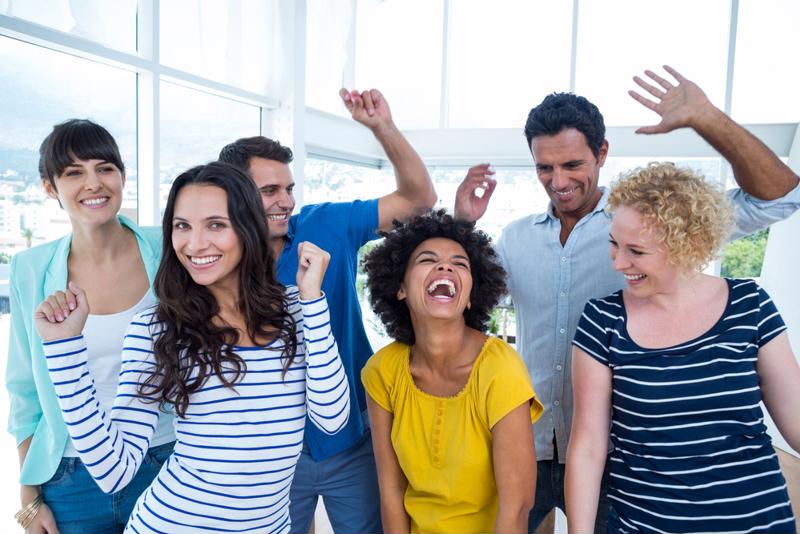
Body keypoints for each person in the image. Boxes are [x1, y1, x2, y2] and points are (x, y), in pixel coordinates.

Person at [454, 65, 800, 533]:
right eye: (544, 167)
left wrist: (707, 119)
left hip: (620, 460)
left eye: (572, 164)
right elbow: (458, 305)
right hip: (527, 442)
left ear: (601, 153)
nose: (558, 181)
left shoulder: (652, 221)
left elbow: (778, 199)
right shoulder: (514, 240)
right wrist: (462, 227)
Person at [34, 162, 350, 533]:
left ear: (247, 228)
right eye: (182, 226)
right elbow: (112, 470)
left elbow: (332, 419)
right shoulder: (156, 329)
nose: (195, 244)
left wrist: (313, 302)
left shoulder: (298, 309)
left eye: (216, 225)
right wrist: (64, 350)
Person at [218, 88, 437, 533]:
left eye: (289, 189)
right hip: (273, 455)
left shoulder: (326, 225)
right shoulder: (215, 268)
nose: (287, 201)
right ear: (233, 195)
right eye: (270, 191)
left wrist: (382, 128)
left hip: (353, 440)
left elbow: (418, 201)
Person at [566, 162, 800, 533]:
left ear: (689, 245)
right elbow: (589, 446)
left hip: (757, 522)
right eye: (614, 243)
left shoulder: (749, 305)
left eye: (636, 251)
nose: (618, 262)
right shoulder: (602, 320)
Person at [6, 119, 175, 534]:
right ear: (50, 187)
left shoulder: (169, 247)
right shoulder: (30, 269)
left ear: (121, 176)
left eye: (104, 168)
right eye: (73, 173)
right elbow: (24, 391)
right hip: (70, 476)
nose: (93, 183)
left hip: (166, 461)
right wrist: (29, 499)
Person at [360, 209, 543, 533]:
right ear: (400, 287)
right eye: (427, 260)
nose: (445, 266)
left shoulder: (500, 368)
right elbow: (391, 491)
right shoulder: (382, 371)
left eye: (460, 263)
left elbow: (517, 506)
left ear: (471, 294)